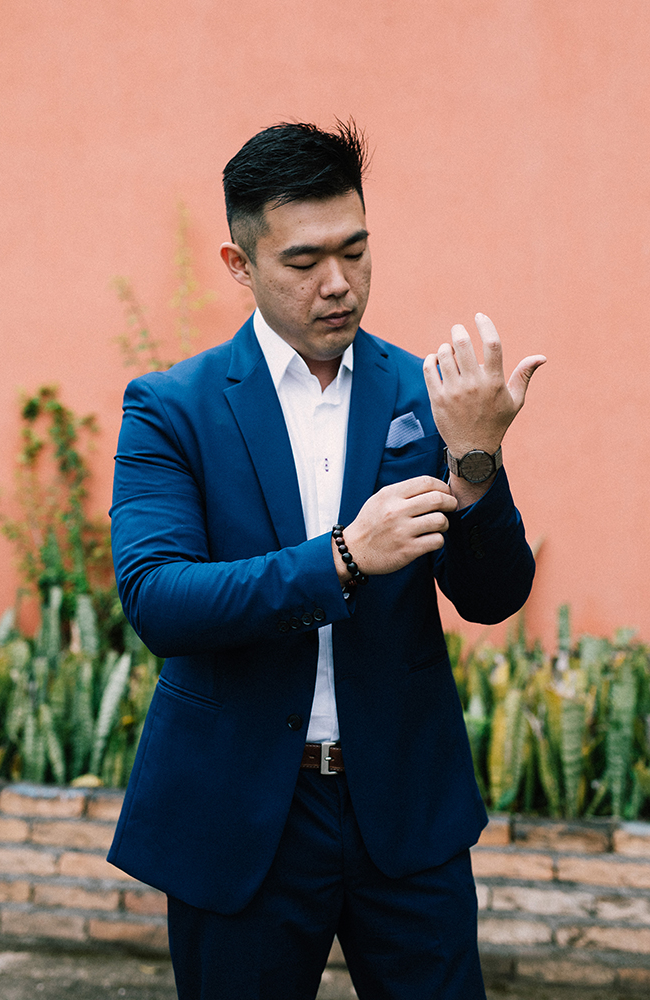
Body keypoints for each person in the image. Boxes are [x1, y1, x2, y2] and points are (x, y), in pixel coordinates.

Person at [107, 120, 546, 999]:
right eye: (304, 262)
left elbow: (492, 596)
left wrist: (475, 462)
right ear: (239, 264)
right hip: (239, 818)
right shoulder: (170, 407)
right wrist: (344, 557)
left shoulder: (424, 393)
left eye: (355, 250)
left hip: (404, 810)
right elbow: (159, 600)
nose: (338, 283)